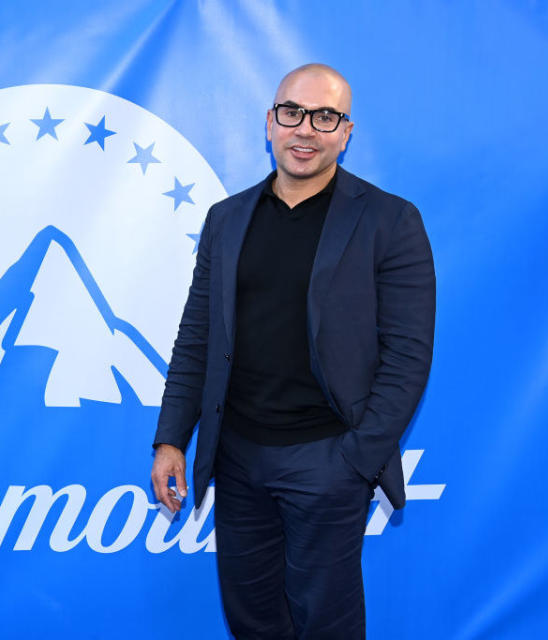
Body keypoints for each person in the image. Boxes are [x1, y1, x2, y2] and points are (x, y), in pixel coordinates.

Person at [150, 63, 435, 639]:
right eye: (293, 113)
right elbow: (197, 338)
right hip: (237, 458)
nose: (306, 129)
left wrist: (354, 460)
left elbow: (408, 356)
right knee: (252, 618)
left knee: (325, 623)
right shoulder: (226, 220)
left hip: (328, 460)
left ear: (346, 131)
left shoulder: (390, 221)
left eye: (325, 117)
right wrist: (171, 437)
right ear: (270, 122)